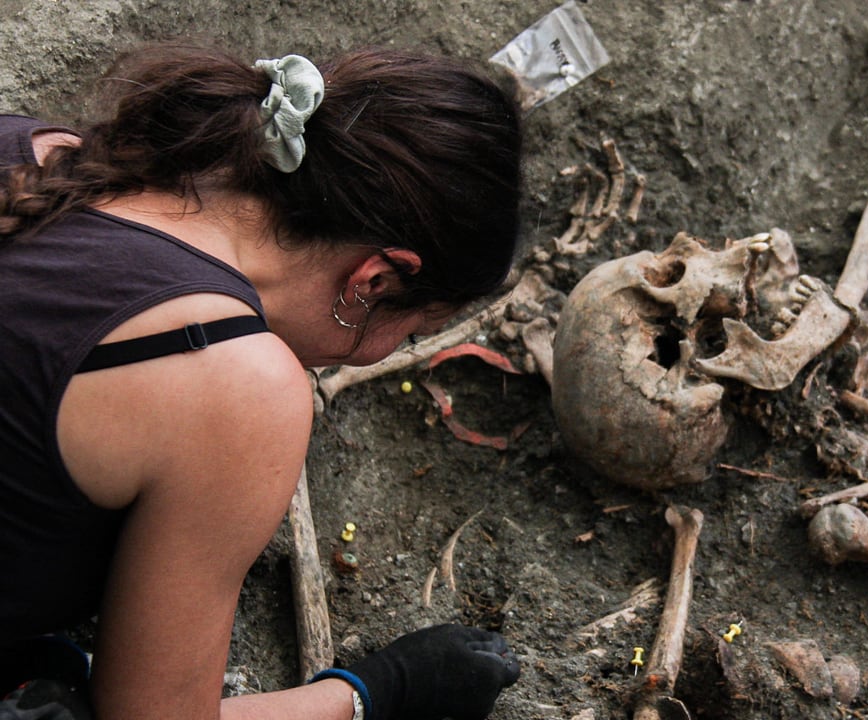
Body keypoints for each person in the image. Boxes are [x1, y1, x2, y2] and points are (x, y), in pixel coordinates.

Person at [0, 42, 524, 720]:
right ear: (373, 280)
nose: (400, 347)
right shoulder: (235, 381)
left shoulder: (43, 149)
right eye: (416, 330)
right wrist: (374, 692)